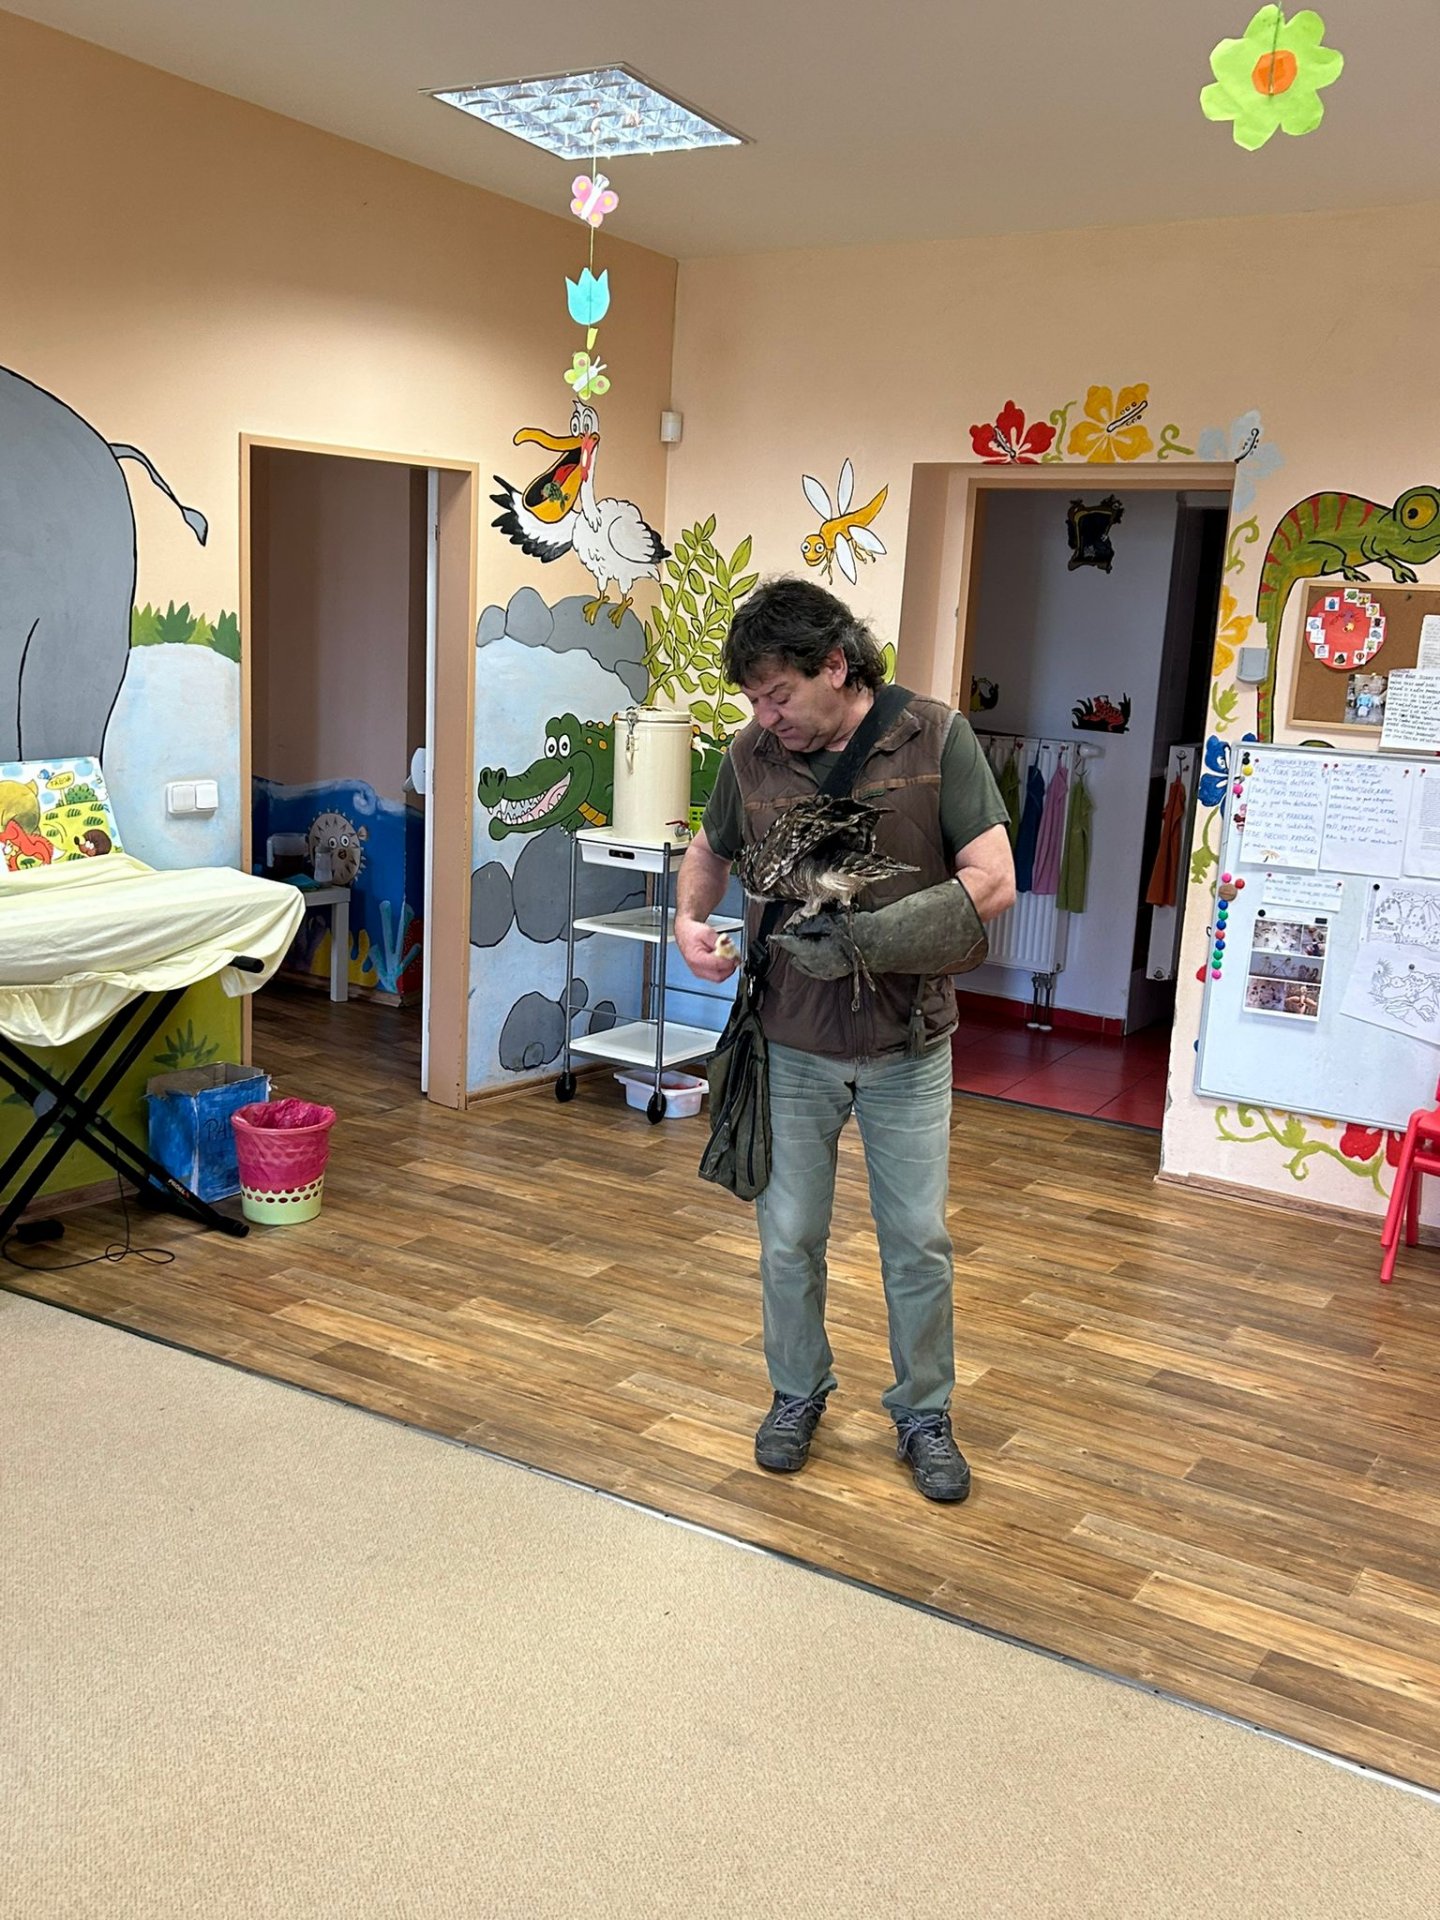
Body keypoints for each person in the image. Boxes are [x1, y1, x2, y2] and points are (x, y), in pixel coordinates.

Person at [675, 578, 1015, 1502]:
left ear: (835, 665)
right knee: (788, 1237)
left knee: (917, 1242)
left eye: (778, 694)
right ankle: (796, 1394)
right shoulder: (749, 756)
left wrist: (870, 941)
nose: (766, 716)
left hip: (910, 1043)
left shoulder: (937, 738)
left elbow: (993, 880)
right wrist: (690, 918)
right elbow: (710, 847)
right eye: (754, 699)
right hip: (789, 1042)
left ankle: (924, 1413)